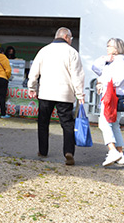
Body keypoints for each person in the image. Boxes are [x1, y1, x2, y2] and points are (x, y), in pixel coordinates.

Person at [27, 27, 84, 166]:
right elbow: (77, 75)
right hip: (65, 94)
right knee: (67, 124)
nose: (71, 40)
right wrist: (79, 94)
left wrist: (32, 87)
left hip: (46, 92)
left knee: (43, 122)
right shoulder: (72, 52)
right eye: (71, 38)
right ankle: (68, 152)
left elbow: (34, 71)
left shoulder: (44, 50)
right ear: (65, 36)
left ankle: (43, 150)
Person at [92, 38, 124, 166]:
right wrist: (103, 59)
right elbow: (95, 67)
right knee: (114, 125)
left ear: (117, 48)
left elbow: (119, 78)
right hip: (115, 96)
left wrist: (103, 82)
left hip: (112, 96)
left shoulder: (119, 60)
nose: (107, 48)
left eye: (110, 46)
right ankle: (120, 154)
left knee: (104, 123)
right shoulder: (111, 61)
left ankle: (112, 150)